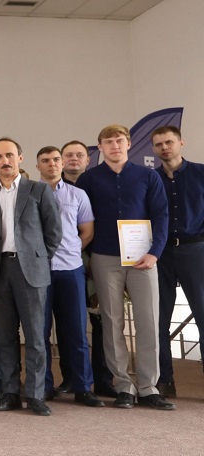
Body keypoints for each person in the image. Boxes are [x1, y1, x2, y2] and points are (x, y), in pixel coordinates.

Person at [77, 124, 173, 410]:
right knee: (111, 323)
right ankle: (123, 386)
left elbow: (161, 216)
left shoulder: (148, 176)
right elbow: (82, 220)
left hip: (144, 258)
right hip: (105, 258)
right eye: (108, 142)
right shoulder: (89, 179)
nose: (115, 146)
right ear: (100, 148)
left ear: (129, 144)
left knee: (149, 322)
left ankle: (148, 387)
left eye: (119, 140)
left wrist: (155, 253)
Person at [0, 138, 62, 416]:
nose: (5, 161)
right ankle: (10, 392)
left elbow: (54, 232)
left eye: (10, 155)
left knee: (36, 336)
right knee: (4, 336)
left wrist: (39, 258)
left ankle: (36, 395)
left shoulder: (38, 190)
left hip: (31, 270)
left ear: (20, 158)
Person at [35, 146, 102, 408]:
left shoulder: (78, 194)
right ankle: (43, 387)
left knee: (75, 331)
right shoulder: (29, 193)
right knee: (39, 333)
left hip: (70, 269)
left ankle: (82, 387)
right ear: (38, 166)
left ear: (61, 163)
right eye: (45, 160)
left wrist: (71, 249)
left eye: (55, 159)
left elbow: (87, 232)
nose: (51, 164)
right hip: (38, 271)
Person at [151, 125, 204, 399]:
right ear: (153, 148)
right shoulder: (151, 178)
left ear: (180, 143)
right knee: (159, 319)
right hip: (160, 254)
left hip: (196, 250)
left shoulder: (201, 173)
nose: (164, 147)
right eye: (159, 144)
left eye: (169, 142)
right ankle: (165, 381)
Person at [60, 139, 115, 397]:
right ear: (61, 160)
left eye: (79, 155)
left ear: (88, 159)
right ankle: (71, 378)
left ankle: (104, 379)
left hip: (100, 259)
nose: (74, 159)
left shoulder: (98, 185)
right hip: (66, 265)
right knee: (67, 323)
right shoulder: (50, 189)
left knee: (102, 322)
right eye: (68, 155)